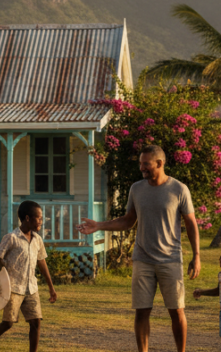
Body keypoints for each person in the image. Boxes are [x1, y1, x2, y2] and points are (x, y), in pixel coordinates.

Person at [77, 144, 201, 352]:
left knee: (176, 311)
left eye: (146, 164)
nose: (142, 168)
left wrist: (196, 256)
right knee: (141, 312)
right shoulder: (136, 189)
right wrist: (98, 225)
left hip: (170, 259)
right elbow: (128, 221)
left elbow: (191, 224)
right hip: (142, 259)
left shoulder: (179, 189)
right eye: (140, 164)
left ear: (159, 163)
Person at [0, 200, 58, 352]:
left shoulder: (37, 240)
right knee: (8, 323)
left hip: (31, 288)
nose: (41, 221)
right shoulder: (11, 238)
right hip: (13, 288)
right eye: (39, 218)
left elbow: (42, 262)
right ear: (27, 218)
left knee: (36, 322)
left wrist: (51, 288)